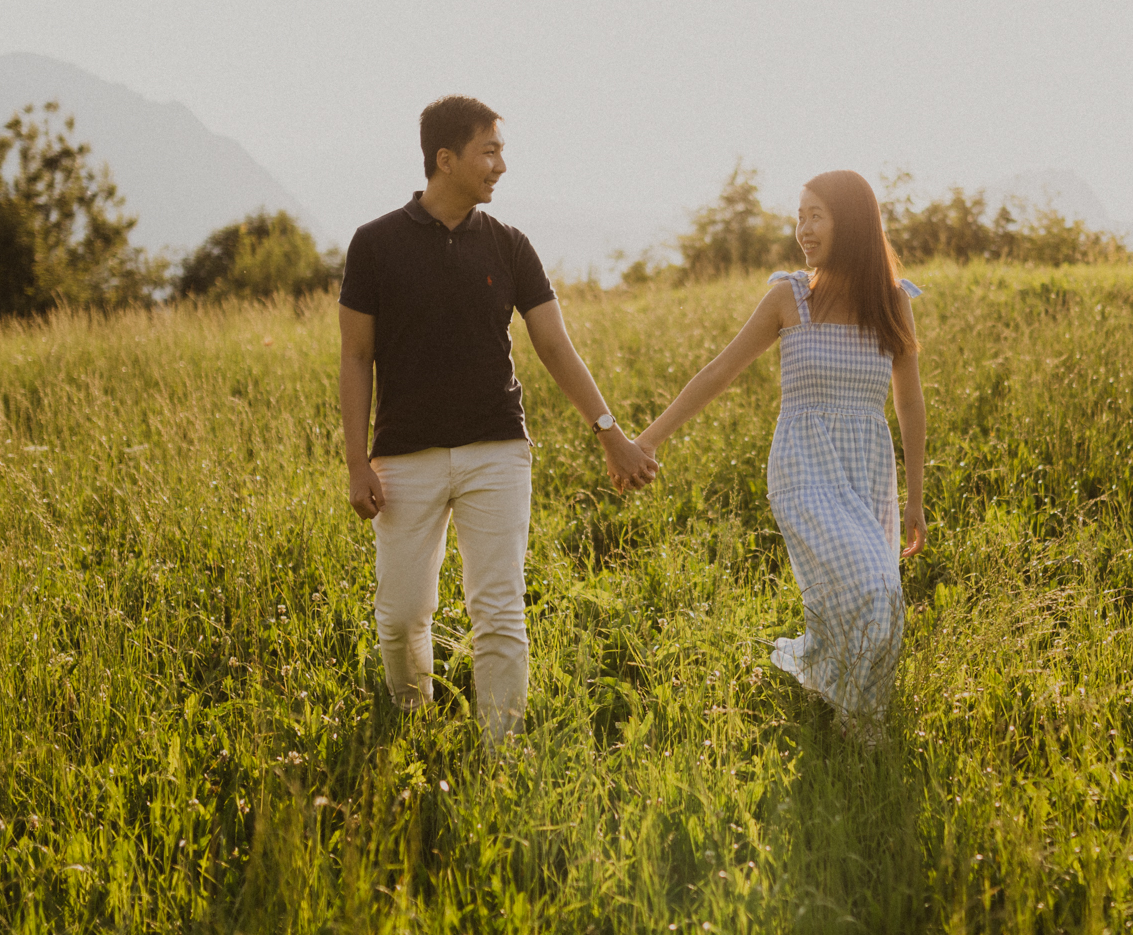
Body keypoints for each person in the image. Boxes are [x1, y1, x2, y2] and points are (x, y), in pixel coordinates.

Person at [338, 95, 658, 744]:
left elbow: (555, 347)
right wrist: (354, 462)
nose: (502, 166)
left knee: (501, 613)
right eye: (489, 151)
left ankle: (501, 756)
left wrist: (611, 432)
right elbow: (356, 355)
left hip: (497, 452)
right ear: (445, 159)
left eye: (501, 151)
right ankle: (413, 726)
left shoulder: (511, 246)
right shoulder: (375, 245)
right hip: (405, 457)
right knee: (401, 616)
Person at [634, 169, 926, 732]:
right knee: (877, 592)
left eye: (816, 215)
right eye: (800, 216)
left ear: (854, 223)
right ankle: (863, 729)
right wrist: (648, 439)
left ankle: (845, 715)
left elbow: (910, 405)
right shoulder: (789, 297)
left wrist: (915, 498)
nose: (803, 230)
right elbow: (719, 372)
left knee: (864, 600)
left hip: (867, 473)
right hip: (804, 470)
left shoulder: (892, 303)